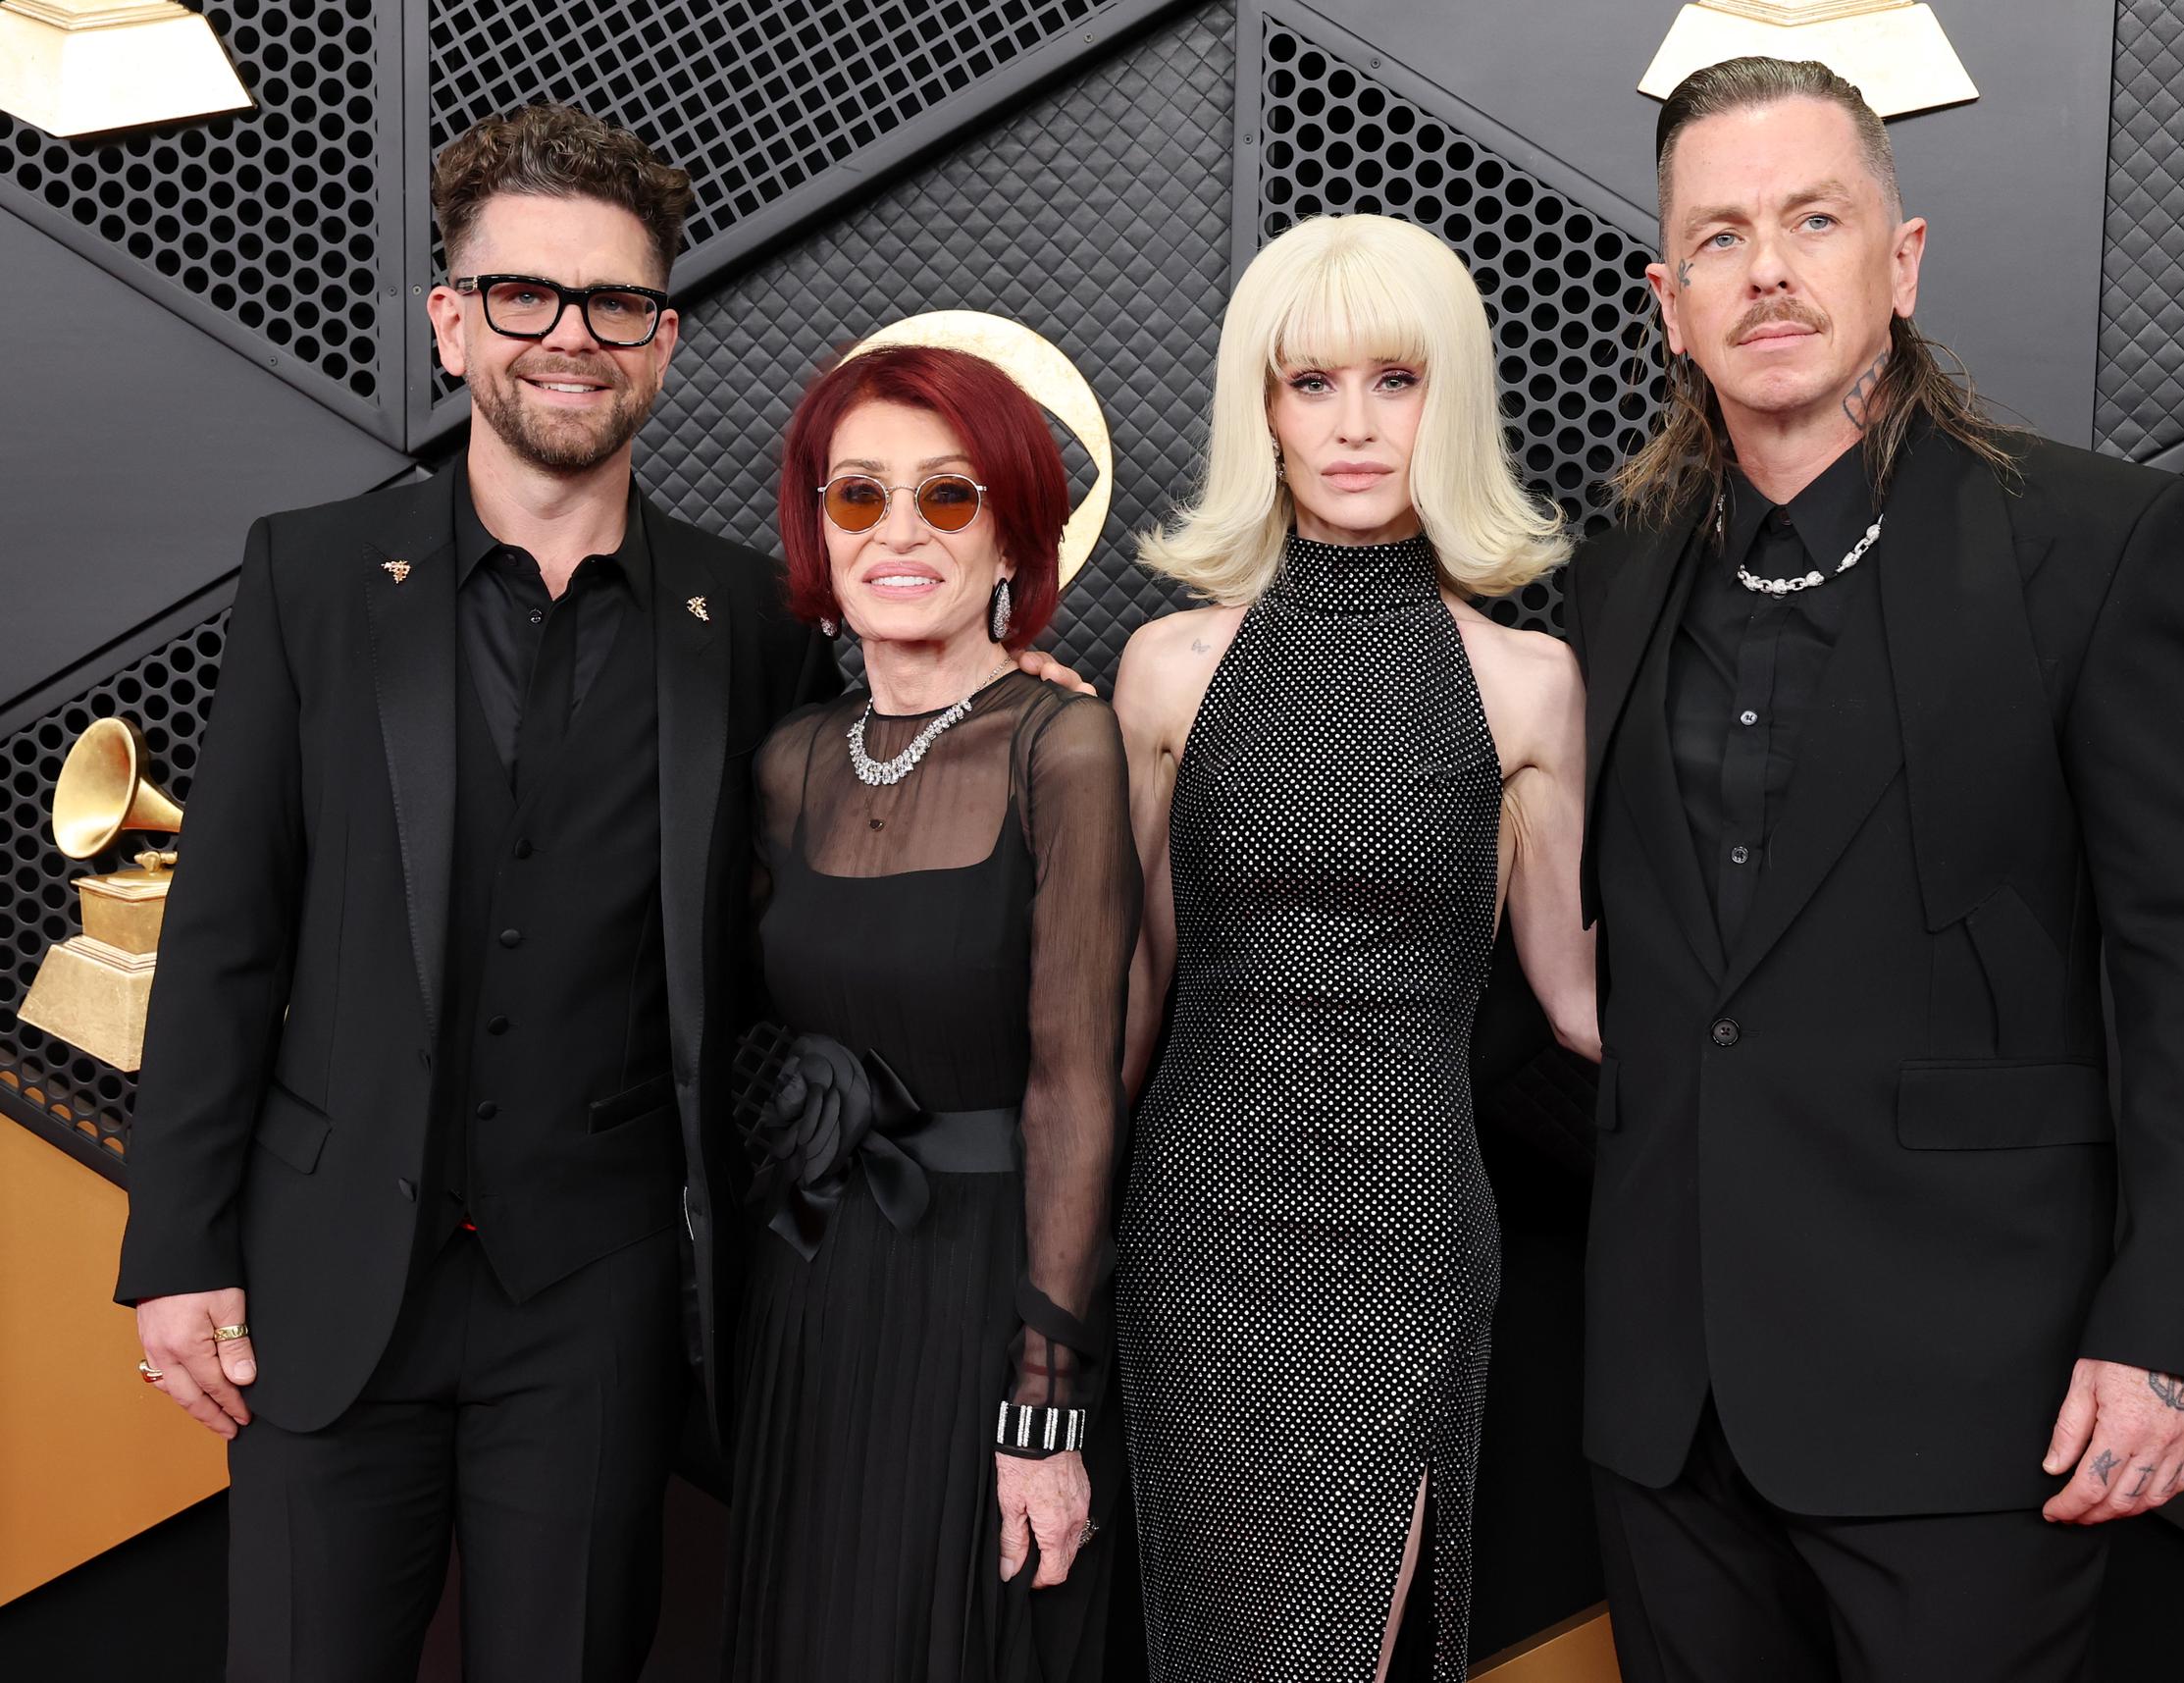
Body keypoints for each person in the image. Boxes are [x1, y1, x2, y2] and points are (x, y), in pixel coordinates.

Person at [107, 104, 1081, 1680]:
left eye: (613, 303)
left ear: (665, 339)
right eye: (524, 297)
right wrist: (176, 1247)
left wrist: (1000, 695)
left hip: (604, 1306)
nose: (570, 338)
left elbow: (851, 864)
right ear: (451, 322)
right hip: (327, 1279)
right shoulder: (311, 578)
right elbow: (224, 938)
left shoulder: (753, 628)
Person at [1567, 58, 2184, 1682]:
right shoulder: (1609, 585)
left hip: (1980, 1396)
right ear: (1669, 299)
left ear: (1902, 260)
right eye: (1723, 237)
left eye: (1816, 219)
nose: (1770, 270)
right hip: (1668, 1410)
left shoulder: (2100, 545)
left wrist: (2170, 1338)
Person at [1112, 213, 1600, 1683]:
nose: (1352, 425)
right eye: (1309, 382)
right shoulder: (1169, 669)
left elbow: (1579, 1000)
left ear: (1449, 399)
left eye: (1395, 380)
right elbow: (1126, 1000)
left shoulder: (1528, 682)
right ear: (1258, 407)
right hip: (1201, 1229)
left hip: (1408, 1236)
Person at [722, 342, 1140, 1682]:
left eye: (947, 498)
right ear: (819, 532)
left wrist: (1045, 1406)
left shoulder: (1060, 746)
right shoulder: (789, 761)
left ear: (1013, 531)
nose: (899, 532)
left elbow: (1080, 1087)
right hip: (815, 1297)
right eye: (859, 498)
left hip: (993, 1301)